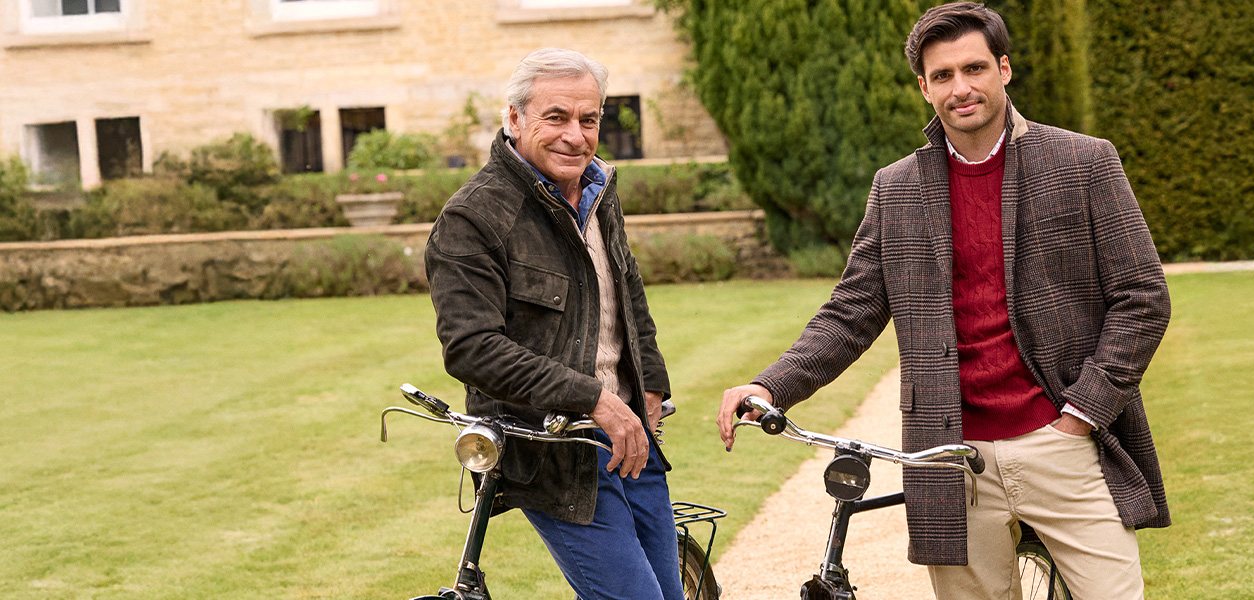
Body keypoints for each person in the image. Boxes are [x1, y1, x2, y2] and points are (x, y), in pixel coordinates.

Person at [716, 3, 1171, 599]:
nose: (962, 87)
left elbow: (1142, 297)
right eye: (942, 76)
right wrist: (771, 384)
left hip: (1062, 443)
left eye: (974, 68)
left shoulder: (1083, 162)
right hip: (948, 458)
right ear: (924, 88)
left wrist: (1080, 416)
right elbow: (851, 312)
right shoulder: (896, 187)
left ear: (1004, 69)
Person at [425, 47, 681, 600]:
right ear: (514, 119)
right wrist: (593, 399)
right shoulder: (473, 217)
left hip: (630, 437)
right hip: (554, 454)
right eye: (556, 117)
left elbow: (626, 289)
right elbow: (471, 347)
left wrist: (650, 381)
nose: (576, 135)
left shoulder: (597, 190)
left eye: (588, 119)